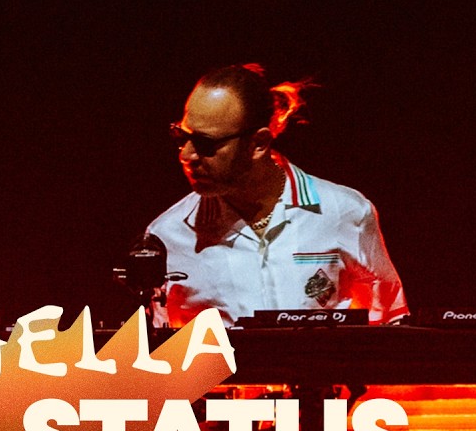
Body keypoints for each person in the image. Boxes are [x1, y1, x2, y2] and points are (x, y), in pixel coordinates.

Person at [145, 64, 407, 328]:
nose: (186, 155)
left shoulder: (345, 212)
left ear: (258, 144)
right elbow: (162, 344)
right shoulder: (166, 236)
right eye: (180, 136)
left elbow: (390, 321)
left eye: (205, 144)